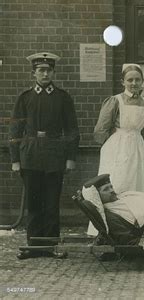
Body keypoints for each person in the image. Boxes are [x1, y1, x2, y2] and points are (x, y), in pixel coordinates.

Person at [9, 52, 80, 259]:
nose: (45, 73)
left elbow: (72, 130)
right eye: (41, 70)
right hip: (30, 156)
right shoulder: (25, 98)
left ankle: (50, 246)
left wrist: (70, 157)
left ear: (53, 72)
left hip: (54, 157)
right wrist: (15, 159)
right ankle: (33, 246)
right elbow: (15, 130)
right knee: (34, 203)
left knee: (51, 203)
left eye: (49, 69)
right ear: (34, 73)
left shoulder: (63, 98)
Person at [94, 63, 144, 194]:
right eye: (130, 80)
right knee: (119, 180)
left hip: (138, 146)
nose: (134, 83)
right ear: (123, 82)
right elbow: (101, 129)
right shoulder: (115, 100)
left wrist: (138, 141)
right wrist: (112, 143)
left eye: (137, 80)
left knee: (137, 181)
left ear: (142, 81)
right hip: (117, 147)